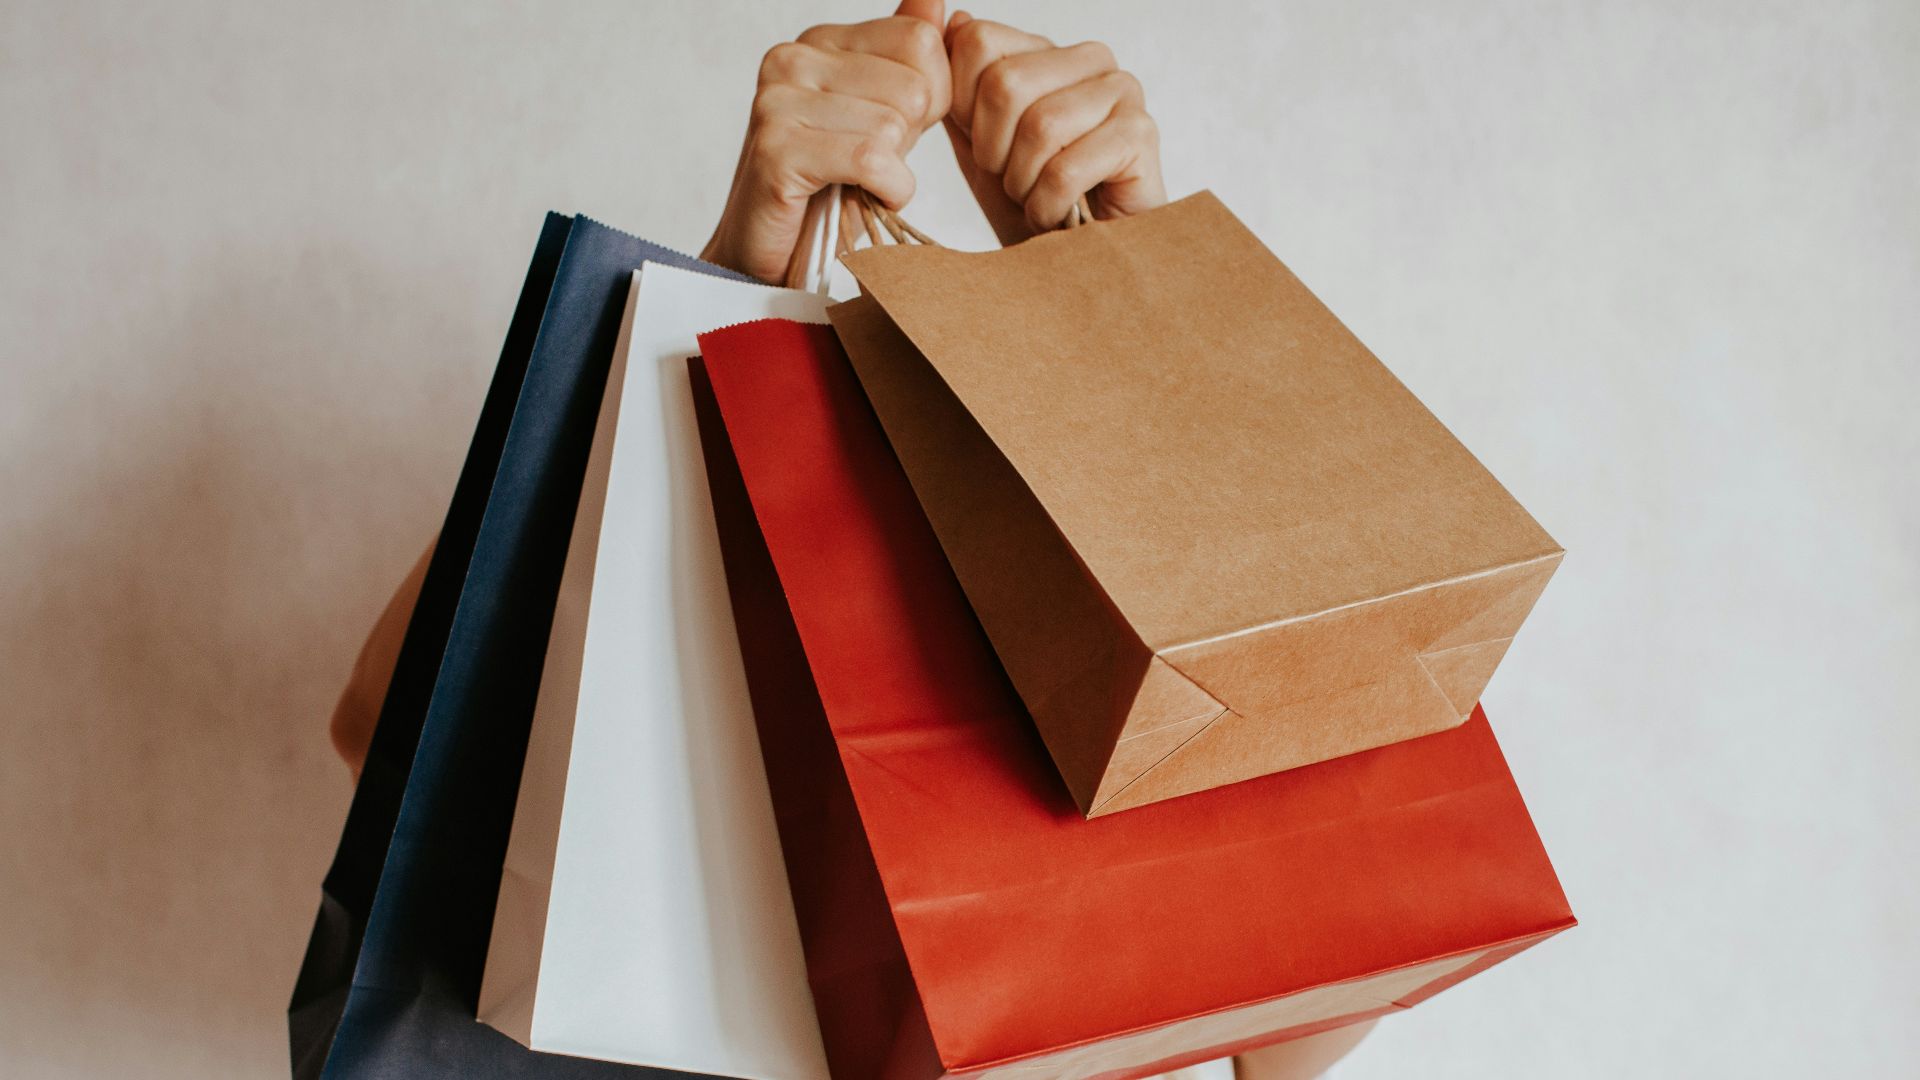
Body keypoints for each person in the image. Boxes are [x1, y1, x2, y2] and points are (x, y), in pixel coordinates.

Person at [330, 5, 1374, 1076]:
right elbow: (389, 737)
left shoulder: (1128, 552)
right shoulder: (727, 480)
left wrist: (1141, 320)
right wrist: (717, 296)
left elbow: (1331, 963)